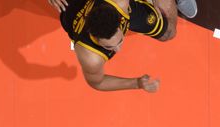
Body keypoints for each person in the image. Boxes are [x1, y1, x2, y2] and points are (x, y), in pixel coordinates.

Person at [49, 0, 198, 92]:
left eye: (120, 41)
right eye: (109, 47)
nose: (118, 49)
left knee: (169, 32)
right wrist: (136, 83)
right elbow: (98, 82)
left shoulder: (119, 3)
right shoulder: (90, 56)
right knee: (168, 34)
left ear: (120, 19)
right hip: (72, 6)